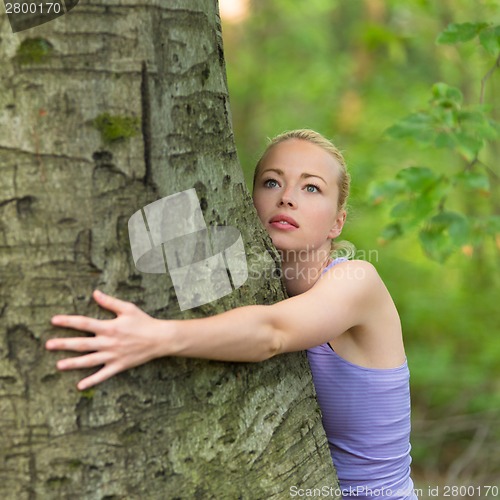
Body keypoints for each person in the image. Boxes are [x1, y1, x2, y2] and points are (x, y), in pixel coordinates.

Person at [46, 129, 416, 499]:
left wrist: (154, 337)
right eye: (272, 182)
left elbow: (273, 333)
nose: (286, 198)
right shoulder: (250, 282)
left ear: (338, 222)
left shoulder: (357, 280)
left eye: (311, 188)